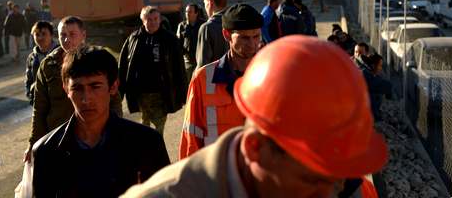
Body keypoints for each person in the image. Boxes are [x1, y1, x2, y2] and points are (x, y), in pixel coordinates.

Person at [123, 36, 387, 198]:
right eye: (311, 180)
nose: (329, 195)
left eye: (338, 181)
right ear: (255, 147)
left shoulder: (349, 188)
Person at [31, 47, 170, 197]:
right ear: (66, 88)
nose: (86, 99)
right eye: (77, 88)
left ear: (113, 86)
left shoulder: (146, 143)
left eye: (95, 87)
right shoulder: (47, 151)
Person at [27, 16, 123, 158]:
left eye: (72, 34)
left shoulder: (99, 60)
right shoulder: (48, 65)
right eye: (63, 35)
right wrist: (33, 143)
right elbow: (40, 107)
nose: (67, 40)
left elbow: (114, 100)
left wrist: (115, 132)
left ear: (83, 35)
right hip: (60, 139)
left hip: (96, 136)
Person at [180, 3, 263, 159]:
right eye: (244, 38)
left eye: (256, 36)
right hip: (217, 177)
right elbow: (191, 138)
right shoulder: (203, 79)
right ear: (226, 34)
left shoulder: (271, 76)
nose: (252, 44)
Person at [119, 6, 187, 136]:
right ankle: (145, 153)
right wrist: (120, 91)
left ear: (160, 19)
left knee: (158, 130)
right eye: (149, 19)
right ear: (143, 20)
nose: (153, 22)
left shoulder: (170, 40)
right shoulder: (134, 38)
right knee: (143, 127)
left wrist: (182, 93)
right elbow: (123, 66)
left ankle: (156, 152)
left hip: (161, 93)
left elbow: (179, 68)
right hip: (140, 93)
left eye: (156, 19)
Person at [25, 21, 58, 105]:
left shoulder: (60, 53)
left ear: (51, 35)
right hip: (39, 102)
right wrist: (29, 93)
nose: (40, 37)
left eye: (44, 34)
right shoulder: (32, 57)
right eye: (37, 34)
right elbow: (29, 79)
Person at [196, 0, 229, 68]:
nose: (205, 8)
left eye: (204, 4)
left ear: (210, 2)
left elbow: (203, 64)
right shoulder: (234, 22)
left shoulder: (207, 27)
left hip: (214, 78)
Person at [361, 53, 393, 121]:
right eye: (380, 66)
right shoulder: (366, 75)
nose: (381, 68)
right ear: (373, 66)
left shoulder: (367, 73)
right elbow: (387, 86)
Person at [176, 3, 203, 83]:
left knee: (200, 83)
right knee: (188, 83)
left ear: (196, 13)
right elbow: (178, 43)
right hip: (187, 61)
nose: (187, 14)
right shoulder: (182, 26)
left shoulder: (203, 25)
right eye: (186, 12)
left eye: (190, 12)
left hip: (200, 60)